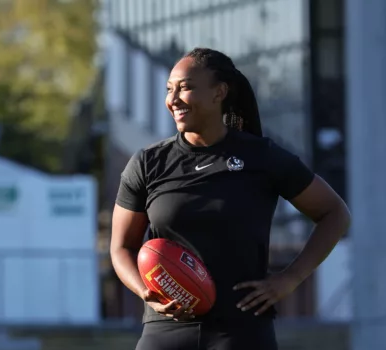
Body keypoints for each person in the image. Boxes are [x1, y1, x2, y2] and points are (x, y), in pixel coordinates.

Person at [110, 48, 351, 350]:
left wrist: (290, 278)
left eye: (185, 88)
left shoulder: (262, 157)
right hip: (165, 332)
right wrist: (145, 289)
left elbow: (335, 213)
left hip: (241, 332)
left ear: (219, 92)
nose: (173, 100)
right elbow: (121, 246)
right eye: (169, 90)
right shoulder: (148, 162)